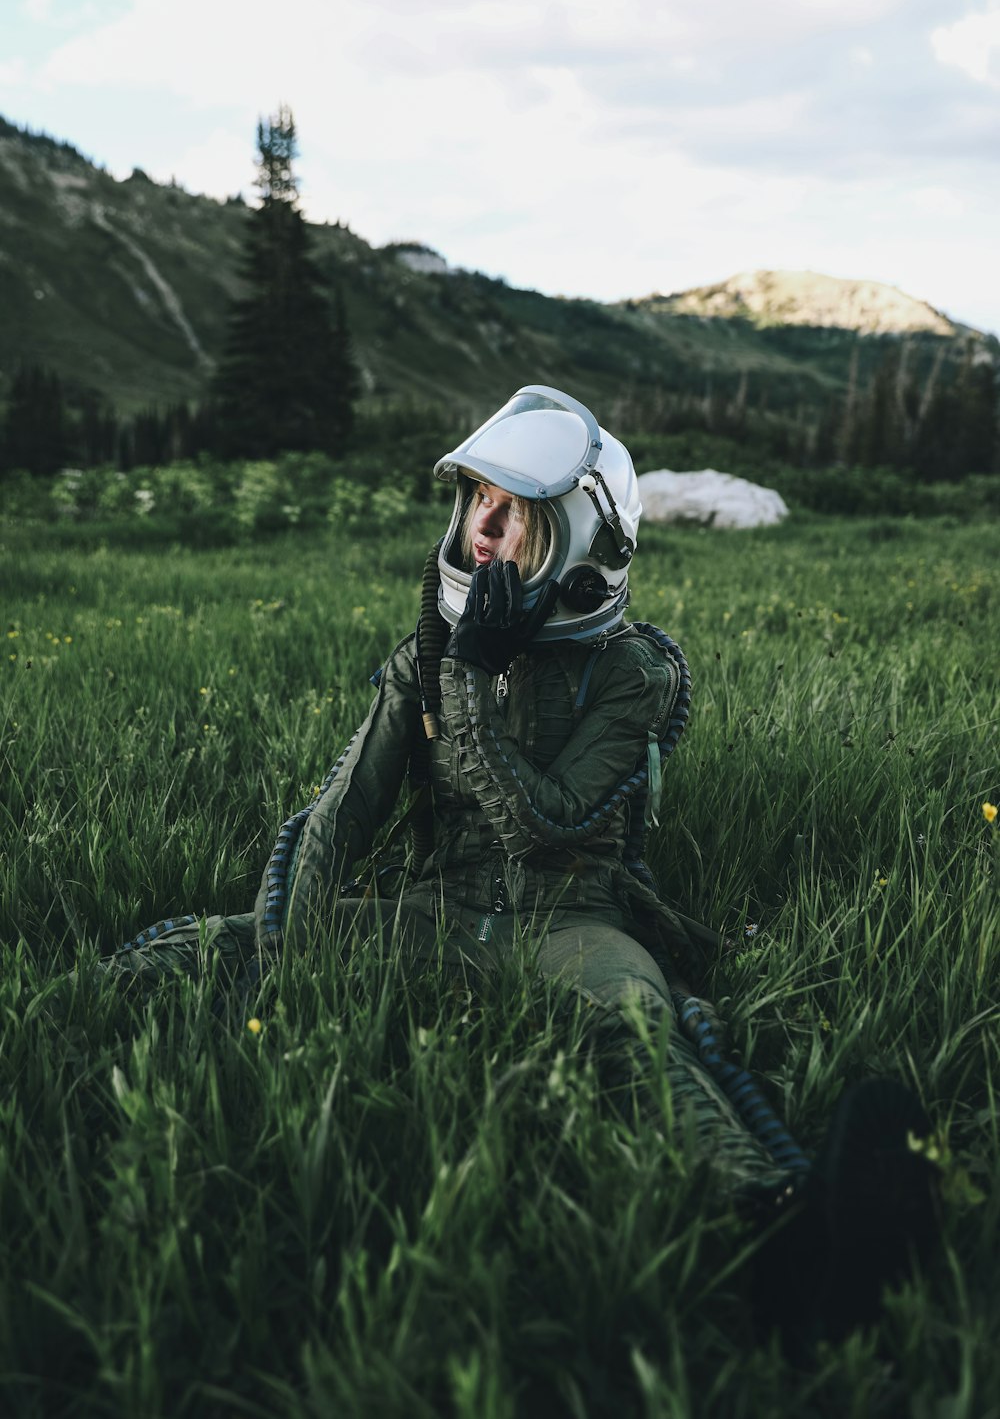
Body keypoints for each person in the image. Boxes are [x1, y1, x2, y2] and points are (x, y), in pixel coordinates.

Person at [95, 383, 938, 1349]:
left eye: (516, 517)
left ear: (579, 543)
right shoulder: (425, 652)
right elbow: (340, 816)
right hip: (438, 908)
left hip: (575, 919)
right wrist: (292, 944)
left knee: (641, 1035)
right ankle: (62, 1000)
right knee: (207, 948)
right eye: (476, 506)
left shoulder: (635, 672)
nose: (484, 532)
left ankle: (786, 1225)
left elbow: (550, 823)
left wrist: (469, 676)